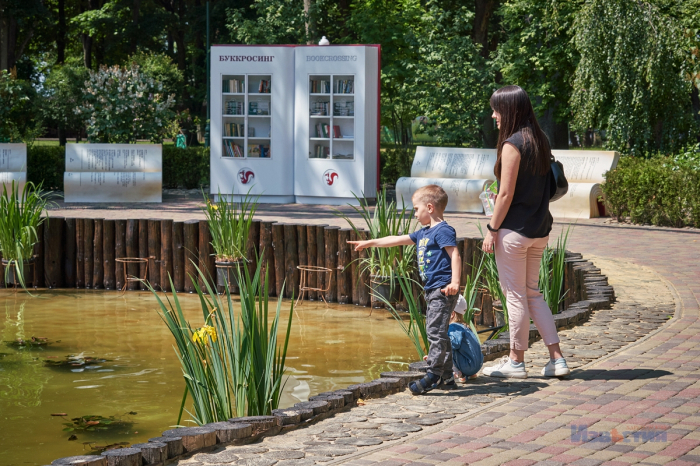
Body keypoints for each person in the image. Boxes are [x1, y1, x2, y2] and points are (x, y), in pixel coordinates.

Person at [481, 85, 570, 379]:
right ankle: (557, 359)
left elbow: (505, 195)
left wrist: (492, 228)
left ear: (508, 110)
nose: (493, 115)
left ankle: (515, 362)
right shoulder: (540, 140)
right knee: (533, 294)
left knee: (516, 296)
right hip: (539, 229)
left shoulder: (512, 144)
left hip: (514, 232)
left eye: (496, 109)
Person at [348, 185, 461, 394]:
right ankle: (447, 377)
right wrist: (370, 242)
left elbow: (455, 254)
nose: (415, 214)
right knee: (439, 332)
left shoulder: (443, 230)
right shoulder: (424, 232)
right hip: (433, 290)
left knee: (435, 332)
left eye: (417, 209)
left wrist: (455, 282)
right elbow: (395, 239)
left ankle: (433, 374)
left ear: (430, 207)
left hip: (443, 289)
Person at [449, 295, 483, 382]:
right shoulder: (465, 326)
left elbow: (454, 344)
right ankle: (471, 373)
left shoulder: (454, 327)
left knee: (447, 344)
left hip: (467, 366)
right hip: (477, 365)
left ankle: (459, 373)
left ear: (452, 314)